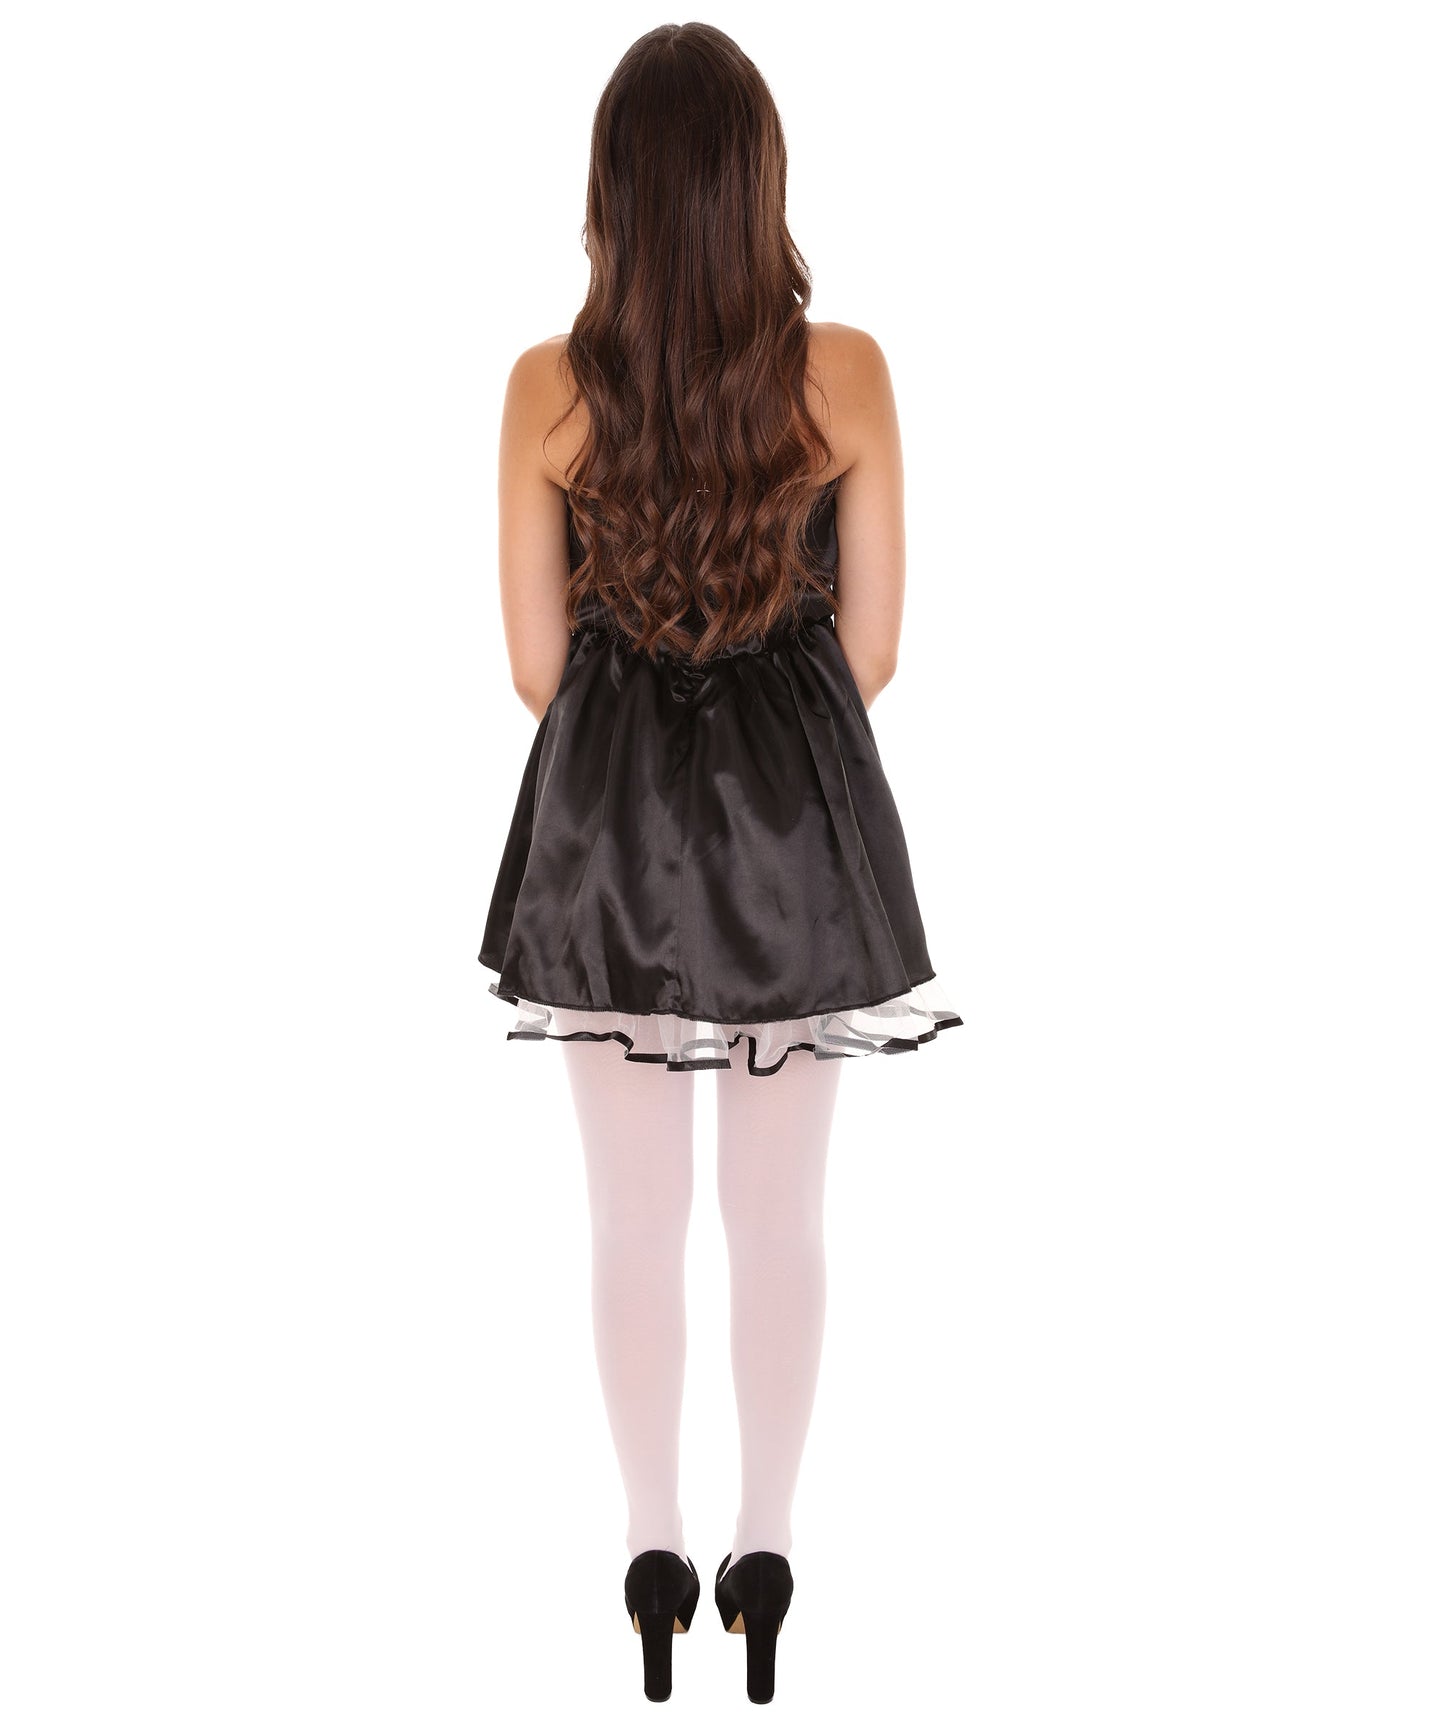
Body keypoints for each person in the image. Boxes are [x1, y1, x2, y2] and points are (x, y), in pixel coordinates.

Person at [476, 22, 963, 1705]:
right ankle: (763, 1549)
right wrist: (757, 749)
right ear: (760, 182)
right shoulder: (849, 375)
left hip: (608, 829)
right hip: (790, 835)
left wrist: (650, 733)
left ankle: (647, 1549)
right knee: (778, 1214)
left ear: (612, 188)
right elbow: (875, 646)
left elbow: (535, 668)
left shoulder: (547, 388)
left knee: (629, 1218)